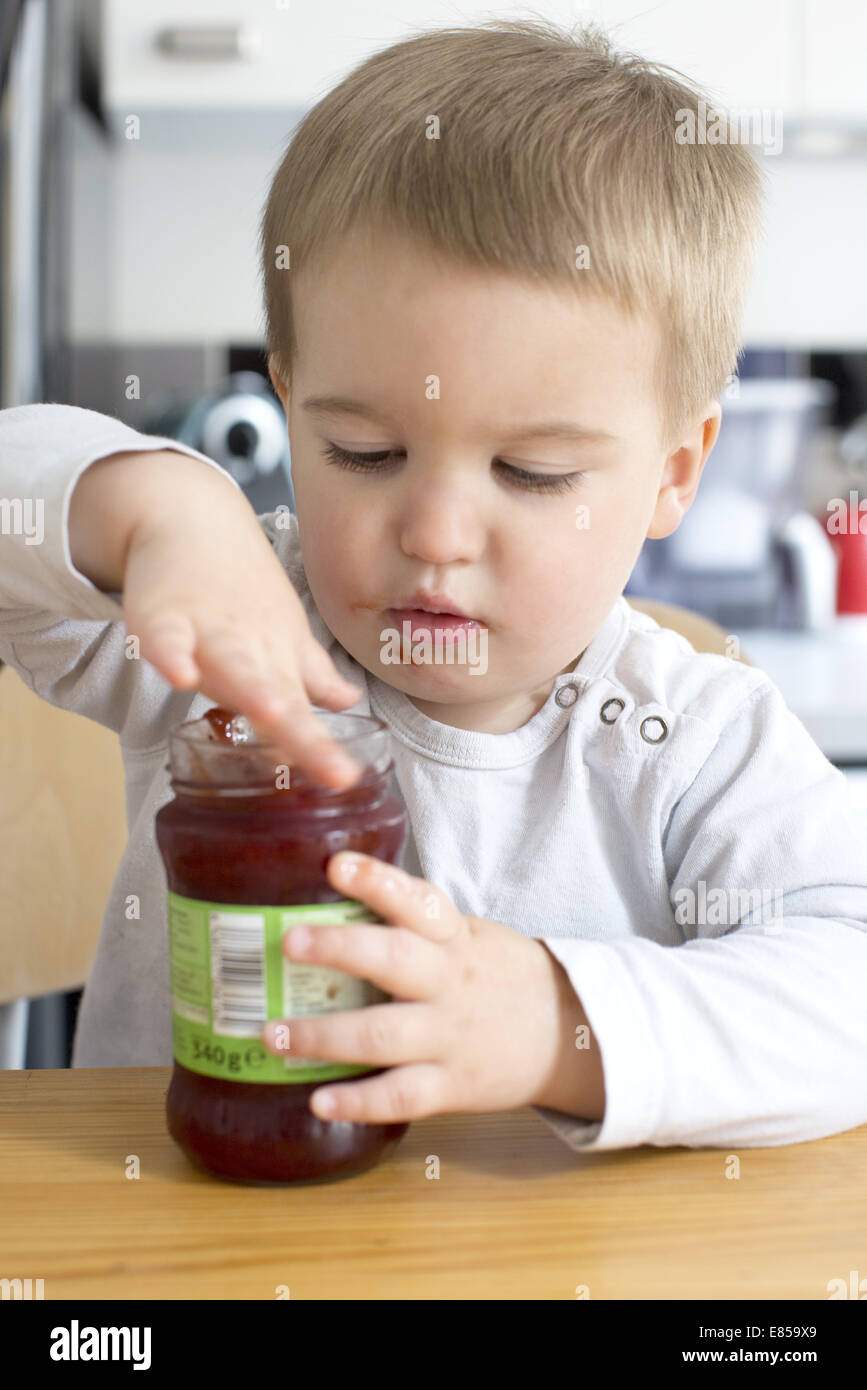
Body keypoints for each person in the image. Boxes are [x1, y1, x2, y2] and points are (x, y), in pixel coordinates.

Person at [1, 20, 864, 1151]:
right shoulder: (231, 629)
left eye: (531, 471)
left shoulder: (687, 741)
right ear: (290, 397)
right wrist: (149, 509)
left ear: (674, 474)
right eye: (363, 450)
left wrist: (561, 1025)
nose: (437, 533)